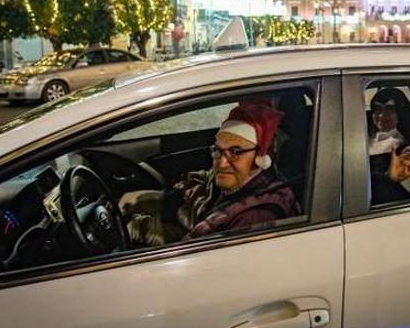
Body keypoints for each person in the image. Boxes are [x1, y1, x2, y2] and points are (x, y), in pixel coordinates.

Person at [122, 99, 301, 246]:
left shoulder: (257, 216)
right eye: (218, 150)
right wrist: (149, 200)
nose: (222, 163)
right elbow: (192, 196)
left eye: (236, 152)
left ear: (260, 158)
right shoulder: (229, 181)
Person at [367, 87, 410, 157]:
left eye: (389, 109)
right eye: (377, 108)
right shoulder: (363, 132)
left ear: (401, 112)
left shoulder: (405, 145)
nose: (381, 115)